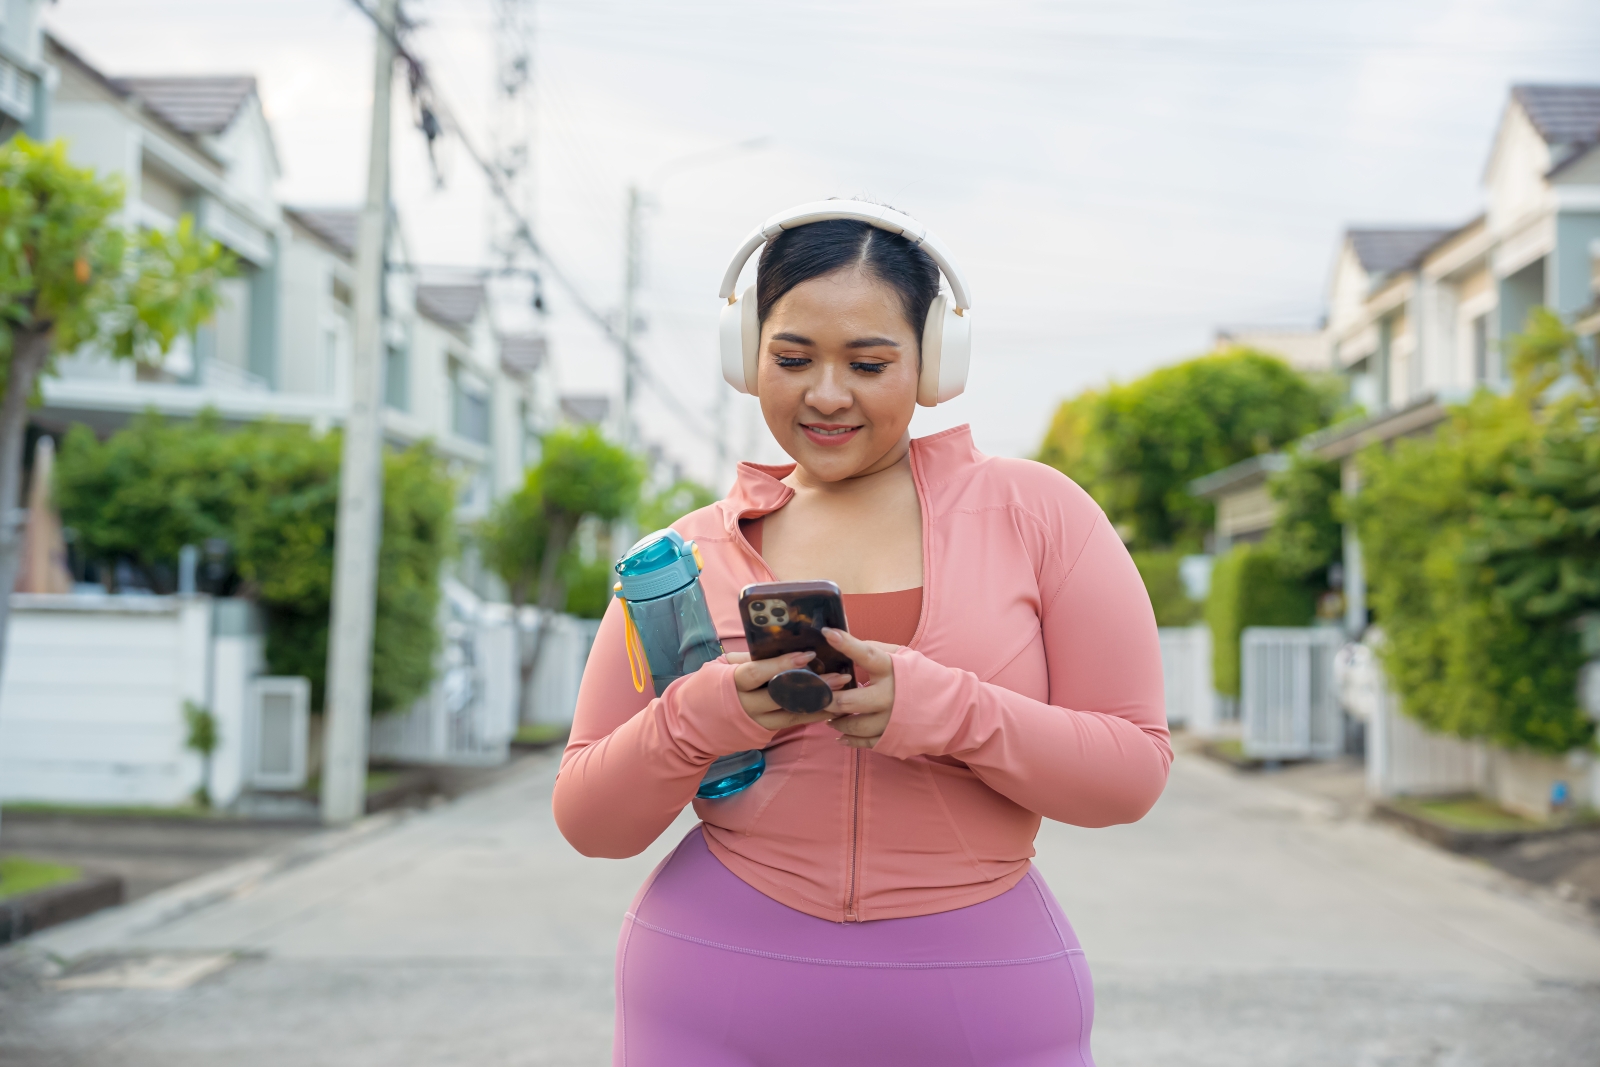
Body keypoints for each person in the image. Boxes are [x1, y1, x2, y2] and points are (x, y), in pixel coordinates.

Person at [554, 201, 1170, 1066]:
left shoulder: (1041, 517)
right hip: (708, 991)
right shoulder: (682, 559)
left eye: (869, 361)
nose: (827, 393)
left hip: (982, 997)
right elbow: (590, 818)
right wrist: (701, 718)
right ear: (747, 355)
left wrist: (944, 710)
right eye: (793, 358)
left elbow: (1131, 772)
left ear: (932, 361)